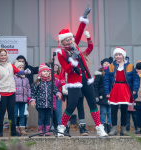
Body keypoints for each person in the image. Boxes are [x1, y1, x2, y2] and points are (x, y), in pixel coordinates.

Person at [56, 4, 107, 137]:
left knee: (92, 103)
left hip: (86, 77)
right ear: (62, 41)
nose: (70, 40)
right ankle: (61, 128)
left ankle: (99, 128)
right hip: (74, 80)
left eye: (70, 38)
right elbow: (66, 69)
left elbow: (79, 31)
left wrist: (84, 17)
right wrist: (72, 60)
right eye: (67, 39)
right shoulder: (61, 53)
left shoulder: (75, 45)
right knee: (71, 106)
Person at [0, 48, 31, 137]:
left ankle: (13, 131)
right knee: (1, 112)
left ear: (7, 56)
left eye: (4, 55)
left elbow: (18, 71)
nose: (3, 57)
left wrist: (25, 71)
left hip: (11, 92)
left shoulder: (10, 65)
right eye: (1, 55)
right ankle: (0, 131)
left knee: (11, 113)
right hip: (1, 92)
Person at [104, 47, 140, 136]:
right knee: (113, 109)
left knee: (124, 109)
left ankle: (123, 128)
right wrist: (107, 91)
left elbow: (136, 78)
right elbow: (107, 80)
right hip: (114, 88)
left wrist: (135, 89)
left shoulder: (130, 66)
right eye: (116, 55)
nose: (118, 56)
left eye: (120, 54)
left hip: (125, 89)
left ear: (123, 56)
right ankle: (114, 128)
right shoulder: (111, 66)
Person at [30, 63, 61, 136]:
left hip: (49, 104)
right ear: (40, 73)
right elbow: (33, 92)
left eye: (47, 71)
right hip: (40, 104)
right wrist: (33, 100)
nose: (46, 73)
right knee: (41, 117)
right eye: (44, 71)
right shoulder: (37, 83)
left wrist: (58, 94)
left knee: (48, 117)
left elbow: (55, 90)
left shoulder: (51, 82)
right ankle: (40, 129)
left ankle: (47, 130)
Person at [94, 57, 113, 134]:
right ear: (101, 65)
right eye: (104, 63)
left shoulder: (112, 74)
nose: (106, 64)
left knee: (110, 113)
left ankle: (110, 127)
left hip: (111, 96)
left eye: (108, 63)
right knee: (103, 112)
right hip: (102, 97)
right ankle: (103, 127)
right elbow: (95, 86)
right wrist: (96, 96)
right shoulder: (99, 75)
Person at [13, 60, 31, 136]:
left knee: (22, 114)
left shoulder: (26, 79)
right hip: (15, 99)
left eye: (22, 67)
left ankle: (22, 129)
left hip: (23, 100)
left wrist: (29, 96)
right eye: (19, 67)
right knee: (15, 114)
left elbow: (28, 88)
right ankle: (14, 129)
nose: (21, 69)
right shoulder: (13, 77)